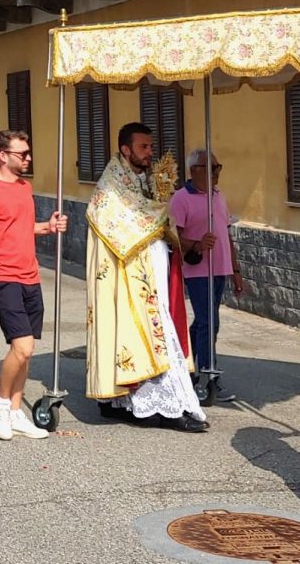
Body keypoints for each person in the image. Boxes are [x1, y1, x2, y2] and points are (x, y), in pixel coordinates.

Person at [85, 122, 206, 433]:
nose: (150, 152)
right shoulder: (111, 185)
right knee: (150, 331)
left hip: (150, 270)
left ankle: (157, 401)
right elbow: (120, 220)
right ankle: (164, 406)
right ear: (125, 149)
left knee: (160, 327)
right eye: (143, 147)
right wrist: (160, 216)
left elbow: (151, 214)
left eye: (151, 147)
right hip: (128, 278)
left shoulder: (141, 180)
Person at [0, 130, 66, 442]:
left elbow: (23, 228)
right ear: (2, 155)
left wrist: (48, 227)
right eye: (22, 153)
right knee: (22, 346)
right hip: (4, 276)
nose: (28, 158)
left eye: (28, 153)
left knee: (26, 351)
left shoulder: (25, 188)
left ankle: (14, 410)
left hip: (30, 275)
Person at [170, 148, 245, 403]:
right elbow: (173, 237)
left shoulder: (218, 196)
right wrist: (197, 244)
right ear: (194, 171)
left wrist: (236, 271)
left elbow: (227, 234)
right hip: (198, 269)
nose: (216, 172)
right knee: (209, 321)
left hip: (220, 268)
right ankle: (208, 376)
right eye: (211, 168)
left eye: (218, 167)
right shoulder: (181, 198)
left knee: (204, 322)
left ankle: (185, 362)